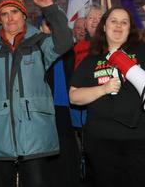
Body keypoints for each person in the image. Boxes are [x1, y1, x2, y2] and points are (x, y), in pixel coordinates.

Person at [69, 4, 145, 187]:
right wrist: (103, 89)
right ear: (104, 27)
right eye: (113, 21)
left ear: (129, 28)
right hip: (104, 143)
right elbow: (74, 96)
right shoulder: (91, 60)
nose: (118, 26)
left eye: (124, 22)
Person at [0, 0, 73, 187]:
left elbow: (64, 41)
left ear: (24, 14)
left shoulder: (39, 42)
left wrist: (50, 9)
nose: (10, 18)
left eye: (15, 12)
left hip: (35, 129)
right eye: (4, 13)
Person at [39, 18, 82, 187]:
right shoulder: (35, 50)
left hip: (66, 107)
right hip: (44, 109)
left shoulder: (68, 50)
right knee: (48, 153)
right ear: (40, 28)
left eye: (53, 26)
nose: (50, 29)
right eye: (46, 26)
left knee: (67, 151)